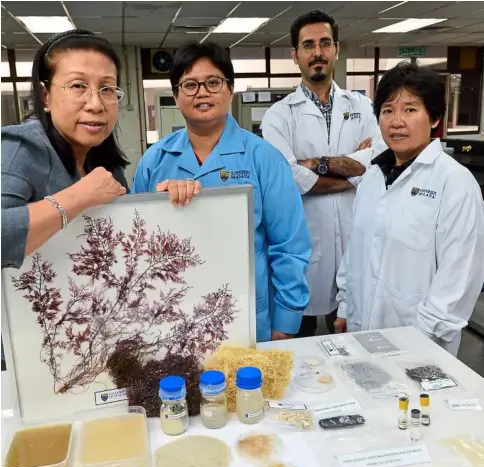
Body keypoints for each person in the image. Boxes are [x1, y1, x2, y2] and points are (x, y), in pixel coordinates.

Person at [132, 41, 311, 343]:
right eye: (189, 85)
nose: (202, 92)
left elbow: (289, 246)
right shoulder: (154, 161)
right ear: (176, 96)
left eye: (213, 82)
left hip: (250, 317)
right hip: (172, 317)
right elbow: (137, 246)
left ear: (230, 90)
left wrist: (286, 321)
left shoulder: (263, 158)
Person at [335, 62, 484, 356]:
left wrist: (422, 339)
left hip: (422, 345)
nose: (396, 121)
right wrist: (344, 305)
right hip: (360, 331)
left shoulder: (454, 184)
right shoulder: (373, 177)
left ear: (434, 118)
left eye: (410, 109)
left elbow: (460, 277)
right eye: (388, 110)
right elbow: (356, 250)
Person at [261, 10, 385, 337]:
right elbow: (287, 177)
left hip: (353, 242)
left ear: (336, 49)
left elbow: (377, 163)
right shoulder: (278, 116)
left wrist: (316, 164)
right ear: (295, 55)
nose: (317, 52)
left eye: (324, 43)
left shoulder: (363, 107)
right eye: (308, 45)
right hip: (301, 250)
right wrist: (350, 167)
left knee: (350, 345)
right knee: (296, 346)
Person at [1, 29, 128, 270]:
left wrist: (159, 201)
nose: (96, 104)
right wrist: (78, 196)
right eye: (78, 85)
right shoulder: (20, 147)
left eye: (107, 89)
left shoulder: (105, 160)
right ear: (45, 96)